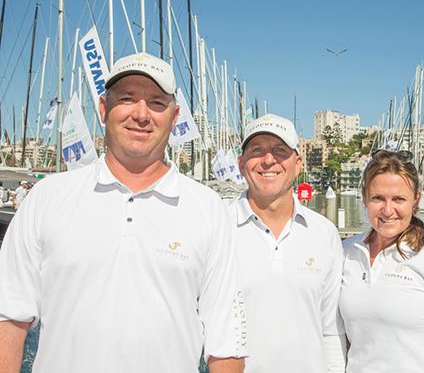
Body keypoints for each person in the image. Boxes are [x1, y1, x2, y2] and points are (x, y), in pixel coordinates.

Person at [0, 52, 246, 373]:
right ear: (104, 109)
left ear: (174, 117)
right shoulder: (46, 198)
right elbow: (9, 315)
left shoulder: (208, 208)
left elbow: (226, 342)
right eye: (127, 99)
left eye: (157, 103)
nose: (141, 114)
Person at [233, 113, 345, 373]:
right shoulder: (218, 228)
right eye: (257, 150)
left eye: (280, 151)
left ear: (297, 164)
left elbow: (331, 330)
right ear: (241, 163)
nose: (268, 160)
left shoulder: (324, 233)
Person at [340, 150, 424, 373]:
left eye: (399, 199)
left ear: (416, 200)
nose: (388, 210)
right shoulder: (346, 252)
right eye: (378, 198)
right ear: (364, 198)